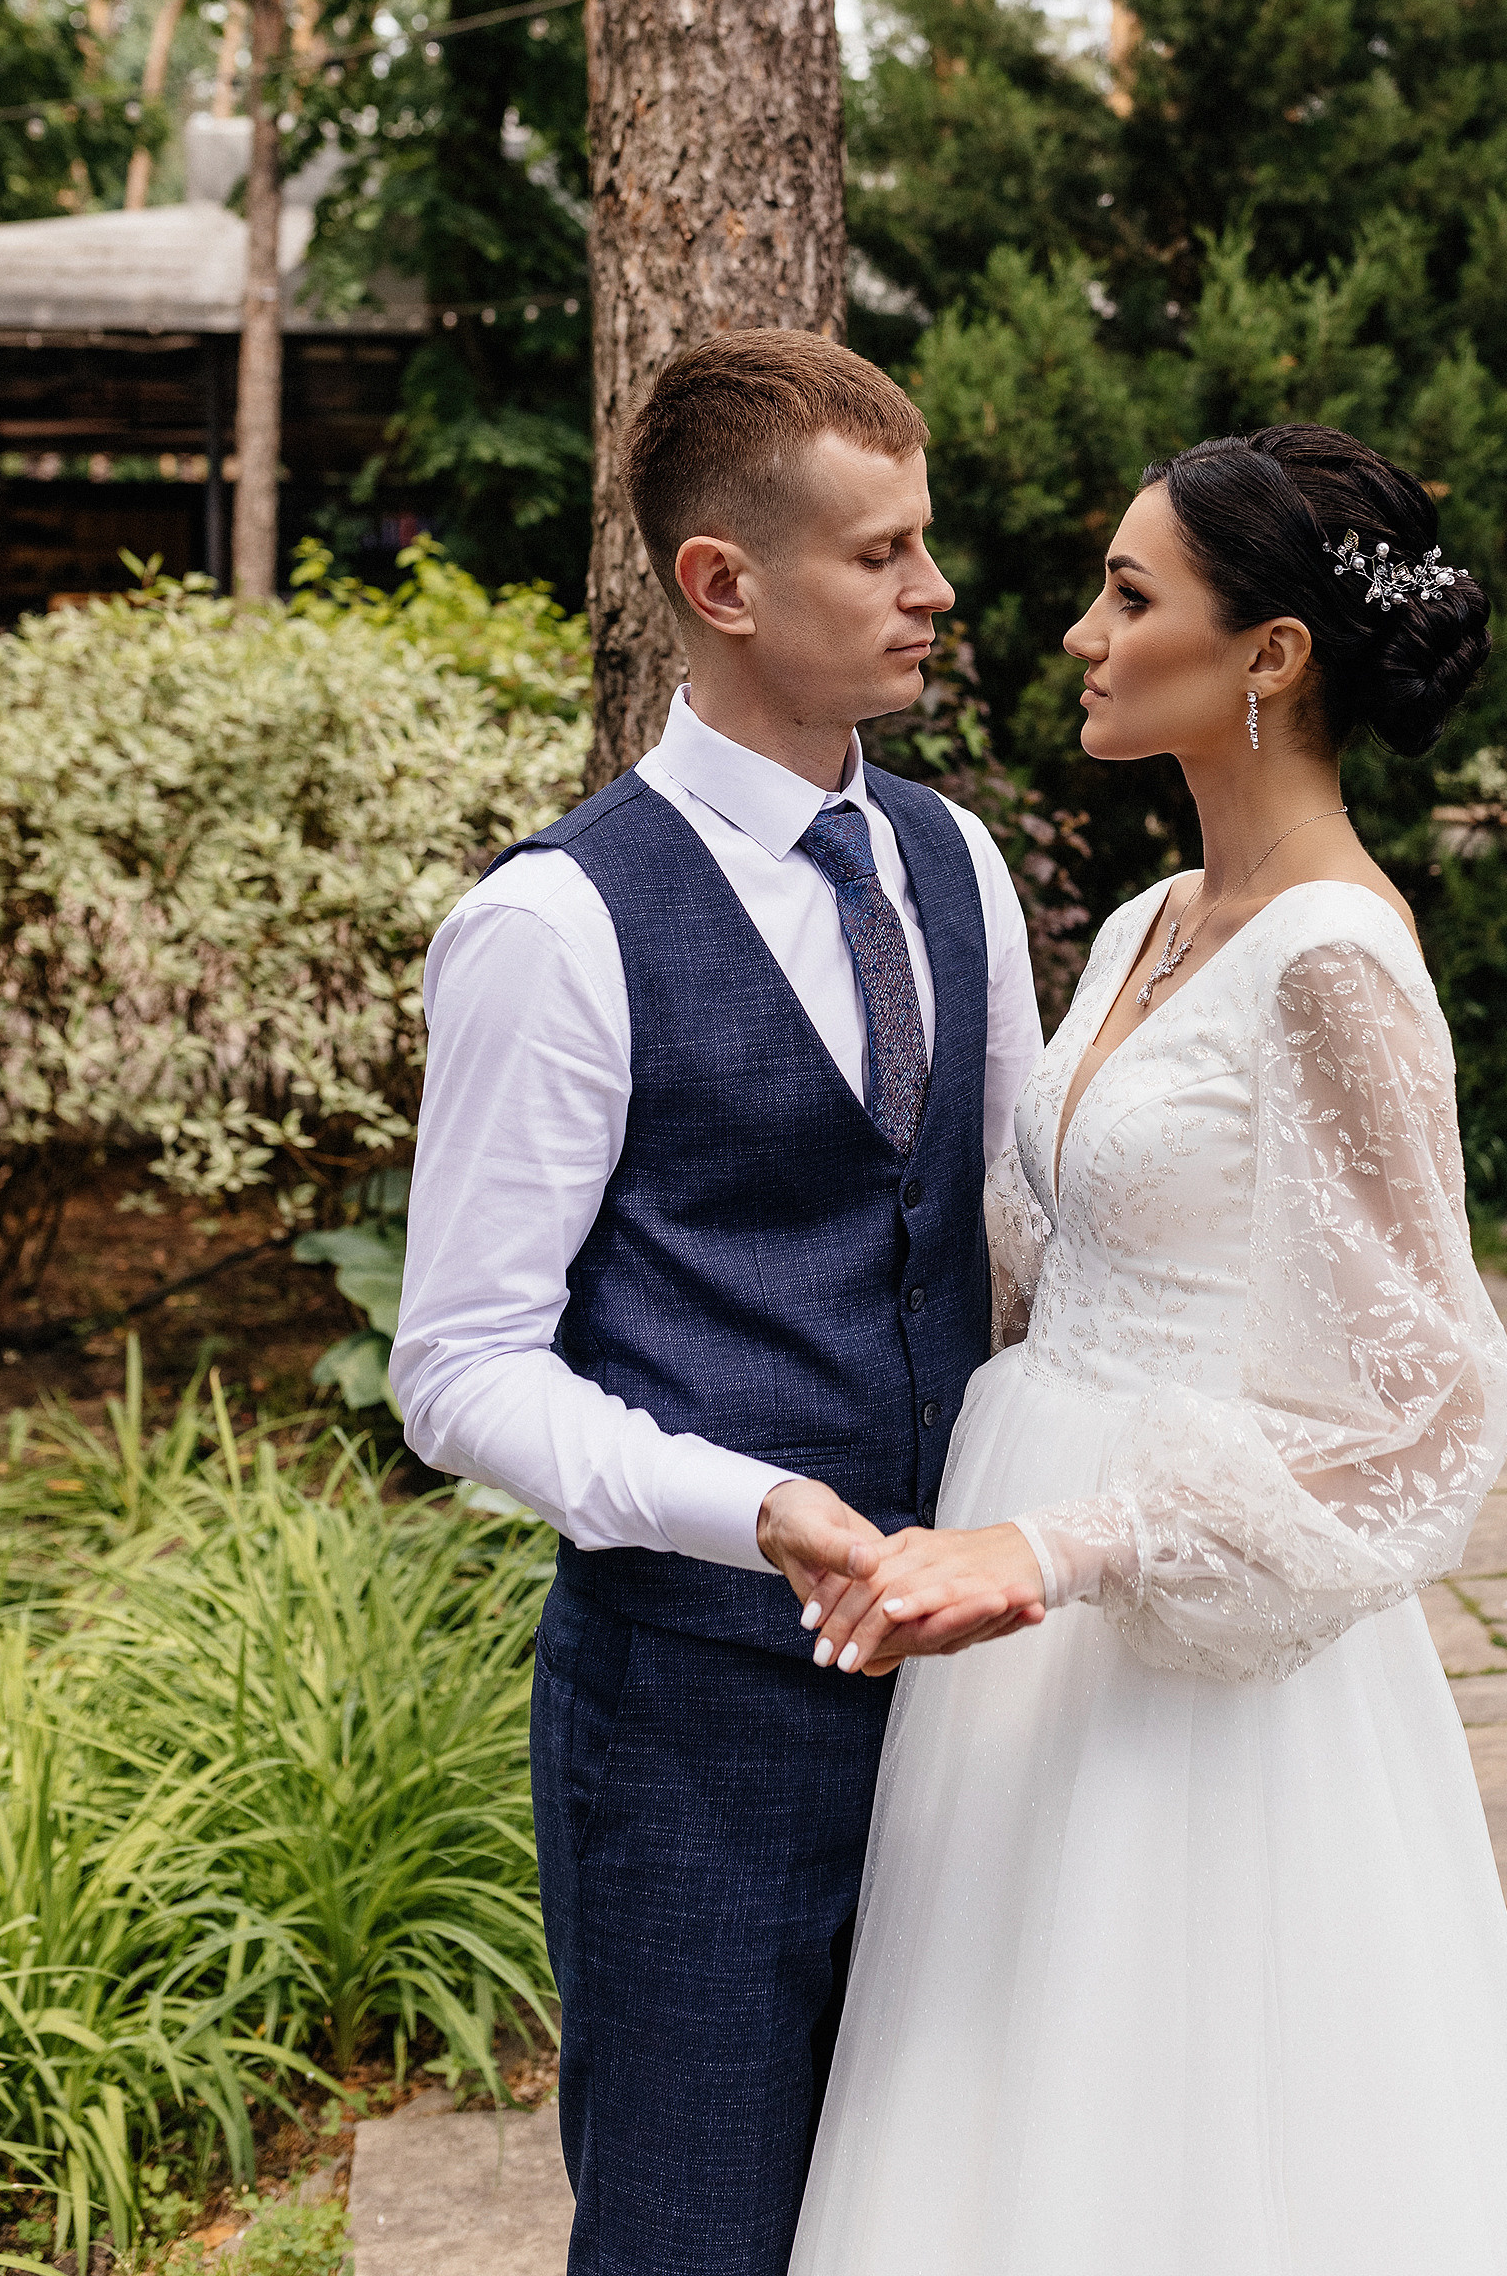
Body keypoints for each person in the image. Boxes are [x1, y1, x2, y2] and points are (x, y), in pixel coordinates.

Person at [788, 426, 1507, 2276]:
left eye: (1131, 595)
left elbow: (1417, 1406)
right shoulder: (1157, 921)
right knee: (999, 2095)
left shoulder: (1335, 961)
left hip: (1171, 1624)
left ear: (1273, 656)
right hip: (1019, 1567)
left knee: (1182, 2121)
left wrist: (1060, 1547)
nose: (1079, 630)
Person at [389, 332, 1046, 2276]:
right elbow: (459, 1370)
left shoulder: (954, 858)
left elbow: (1007, 1217)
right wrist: (748, 1506)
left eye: (924, 544)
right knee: (695, 2238)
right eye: (884, 555)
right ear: (723, 586)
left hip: (965, 1709)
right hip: (689, 1730)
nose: (934, 591)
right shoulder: (558, 925)